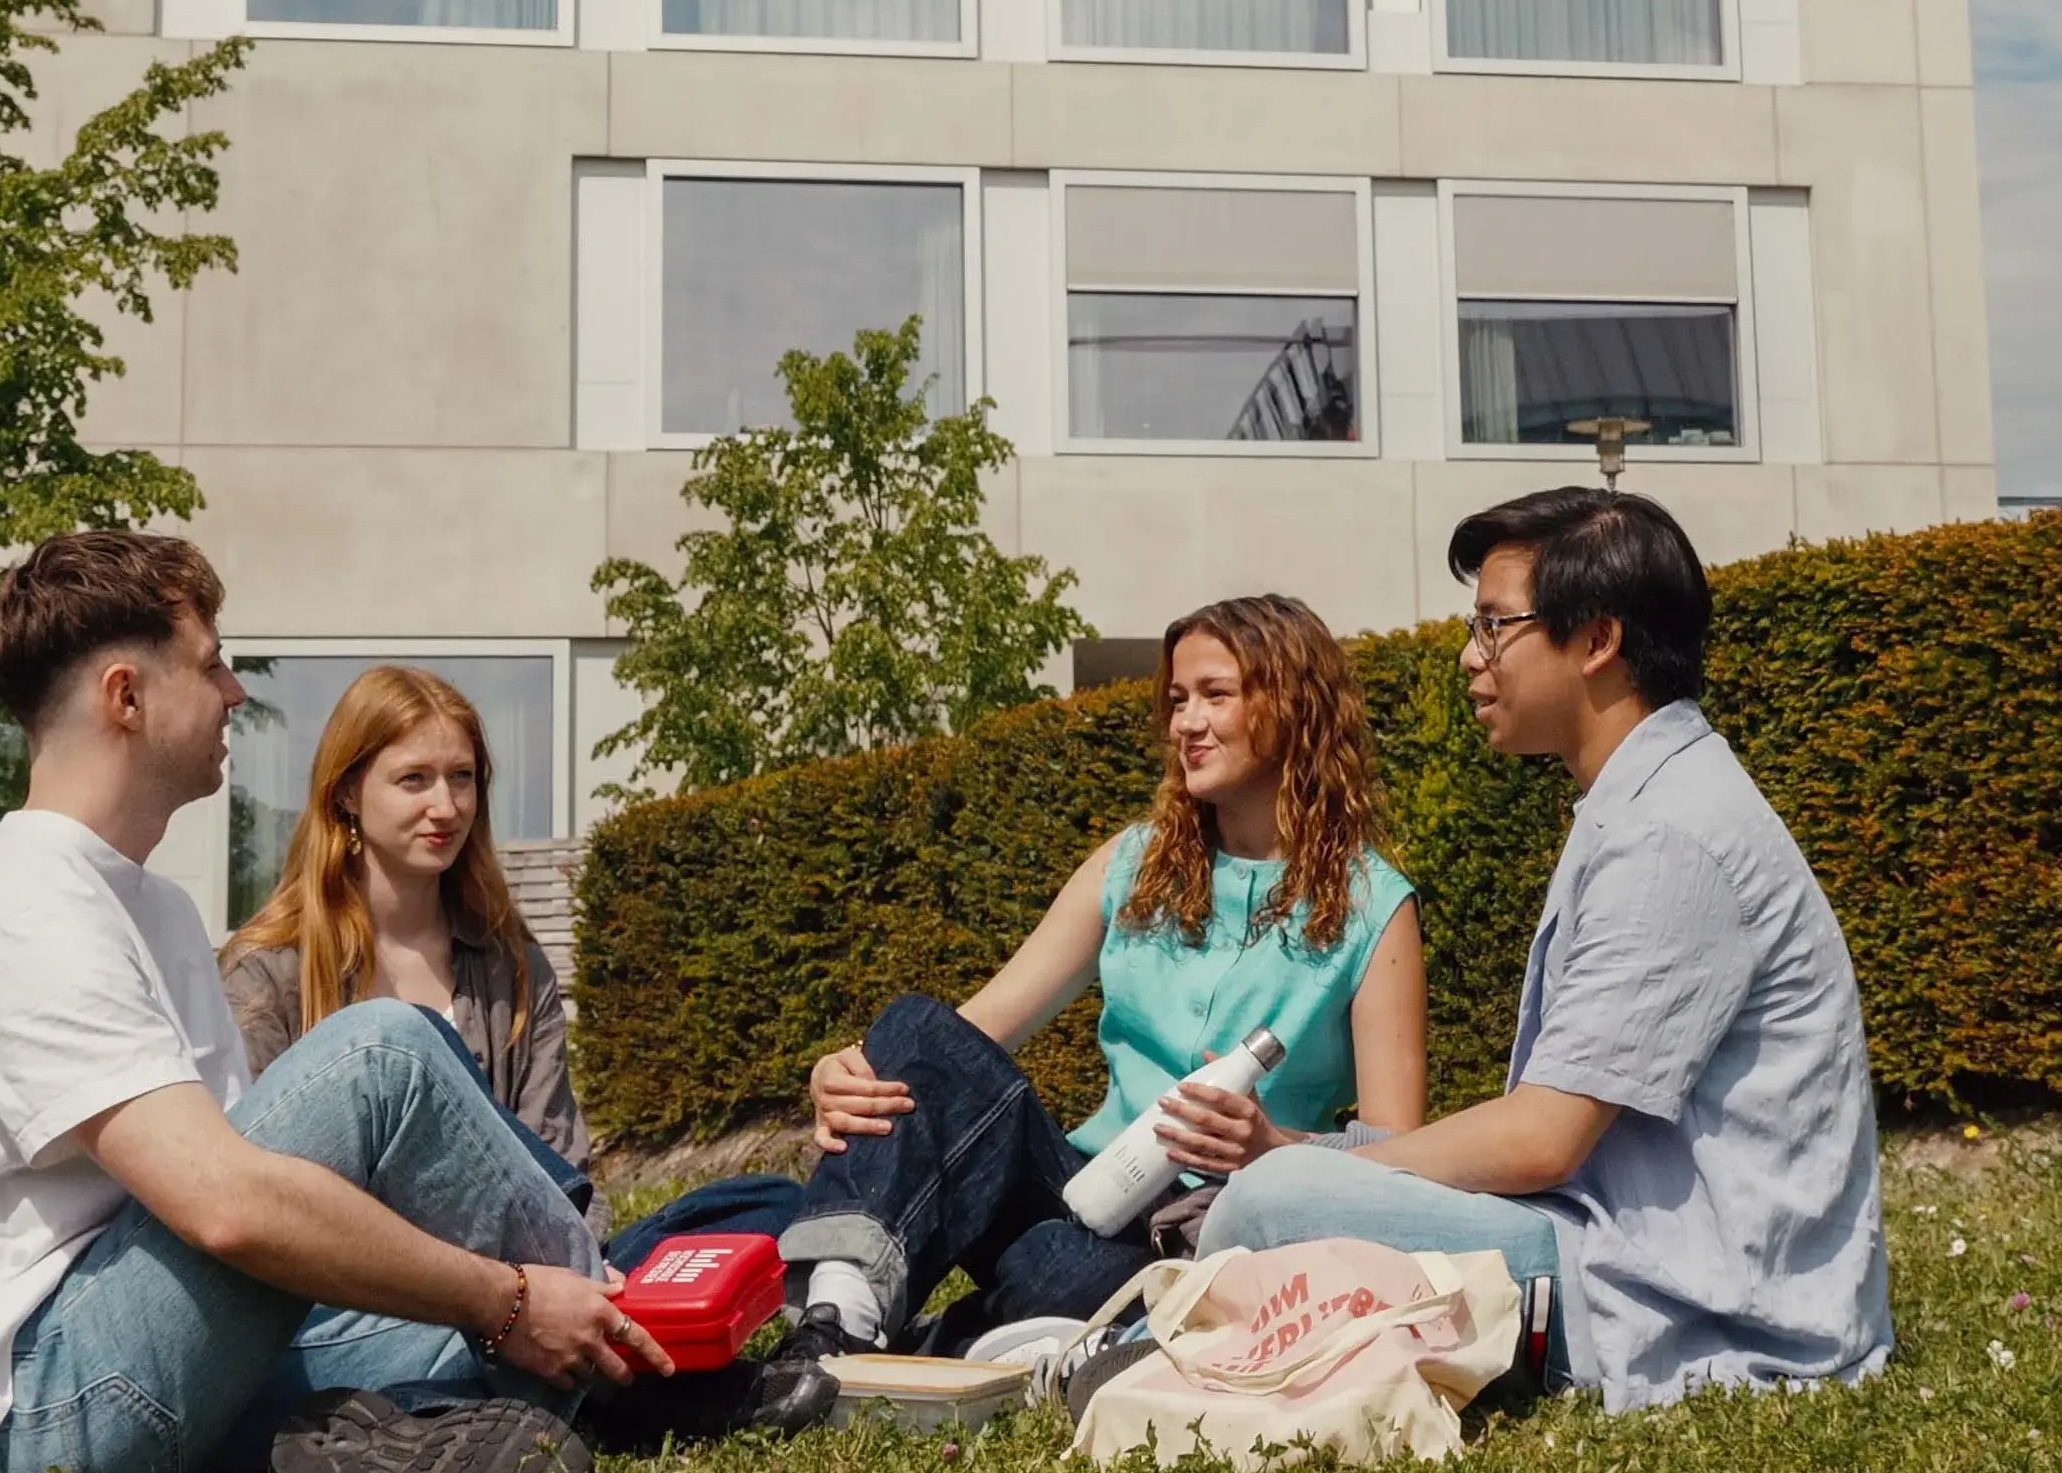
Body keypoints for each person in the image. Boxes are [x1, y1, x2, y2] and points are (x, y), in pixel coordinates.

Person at [0, 531, 673, 1473]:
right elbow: (227, 1205)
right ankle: (615, 1333)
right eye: (209, 663)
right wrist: (509, 1297)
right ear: (124, 696)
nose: (234, 691)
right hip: (21, 1415)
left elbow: (275, 1199)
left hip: (135, 1329)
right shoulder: (27, 908)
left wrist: (486, 1309)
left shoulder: (155, 910)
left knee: (469, 1333)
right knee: (385, 1047)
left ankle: (601, 1358)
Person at [1203, 487, 1894, 1408]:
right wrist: (1304, 1147)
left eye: (1494, 627)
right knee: (1291, 1179)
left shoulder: (1671, 833)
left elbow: (1541, 1140)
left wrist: (1306, 1170)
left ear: (1597, 640)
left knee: (1267, 1204)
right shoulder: (1650, 799)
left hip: (1686, 1306)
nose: (1469, 657)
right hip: (1617, 1249)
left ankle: (1142, 1353)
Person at [770, 592, 1428, 1355]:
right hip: (1078, 1184)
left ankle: (934, 1336)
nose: (1185, 722)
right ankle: (837, 1315)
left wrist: (1272, 1148)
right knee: (916, 1024)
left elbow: (1398, 1153)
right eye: (1177, 700)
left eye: (1215, 696)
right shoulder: (1133, 863)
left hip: (1197, 1240)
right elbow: (962, 1043)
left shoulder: (1376, 906)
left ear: (1296, 708)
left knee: (1058, 1273)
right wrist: (848, 1073)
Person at [218, 665, 584, 1175]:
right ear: (346, 792)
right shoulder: (268, 971)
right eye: (414, 779)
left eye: (462, 777)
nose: (446, 807)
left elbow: (561, 1167)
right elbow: (249, 1177)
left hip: (515, 1252)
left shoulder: (512, 965)